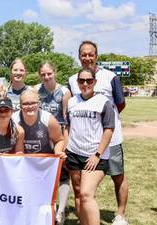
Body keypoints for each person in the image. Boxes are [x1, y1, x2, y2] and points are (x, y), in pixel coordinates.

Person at [68, 40, 128, 225]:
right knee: (81, 188)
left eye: (90, 54)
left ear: (96, 56)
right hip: (81, 145)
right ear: (79, 57)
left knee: (117, 176)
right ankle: (84, 218)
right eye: (83, 54)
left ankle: (120, 215)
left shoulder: (110, 77)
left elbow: (120, 103)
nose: (87, 57)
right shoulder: (72, 79)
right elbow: (74, 108)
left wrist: (102, 125)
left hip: (111, 138)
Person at [66, 68, 115, 225]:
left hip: (94, 156)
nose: (85, 84)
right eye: (81, 81)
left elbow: (109, 129)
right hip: (73, 153)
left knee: (86, 194)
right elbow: (67, 126)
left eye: (89, 80)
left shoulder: (103, 102)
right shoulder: (72, 101)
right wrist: (66, 147)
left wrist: (97, 154)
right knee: (79, 194)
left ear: (95, 82)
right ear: (77, 82)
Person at [34, 61, 71, 224]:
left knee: (62, 175)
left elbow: (67, 120)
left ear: (55, 72)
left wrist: (65, 145)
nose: (46, 77)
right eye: (43, 74)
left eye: (49, 73)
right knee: (41, 174)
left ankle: (61, 210)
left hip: (59, 137)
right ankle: (44, 207)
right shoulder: (36, 90)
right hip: (41, 137)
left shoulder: (64, 92)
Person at [12, 89, 65, 156]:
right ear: (20, 106)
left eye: (33, 103)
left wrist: (57, 151)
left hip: (43, 160)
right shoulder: (13, 119)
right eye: (25, 104)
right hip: (22, 160)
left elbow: (59, 140)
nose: (30, 106)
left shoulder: (48, 119)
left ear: (39, 104)